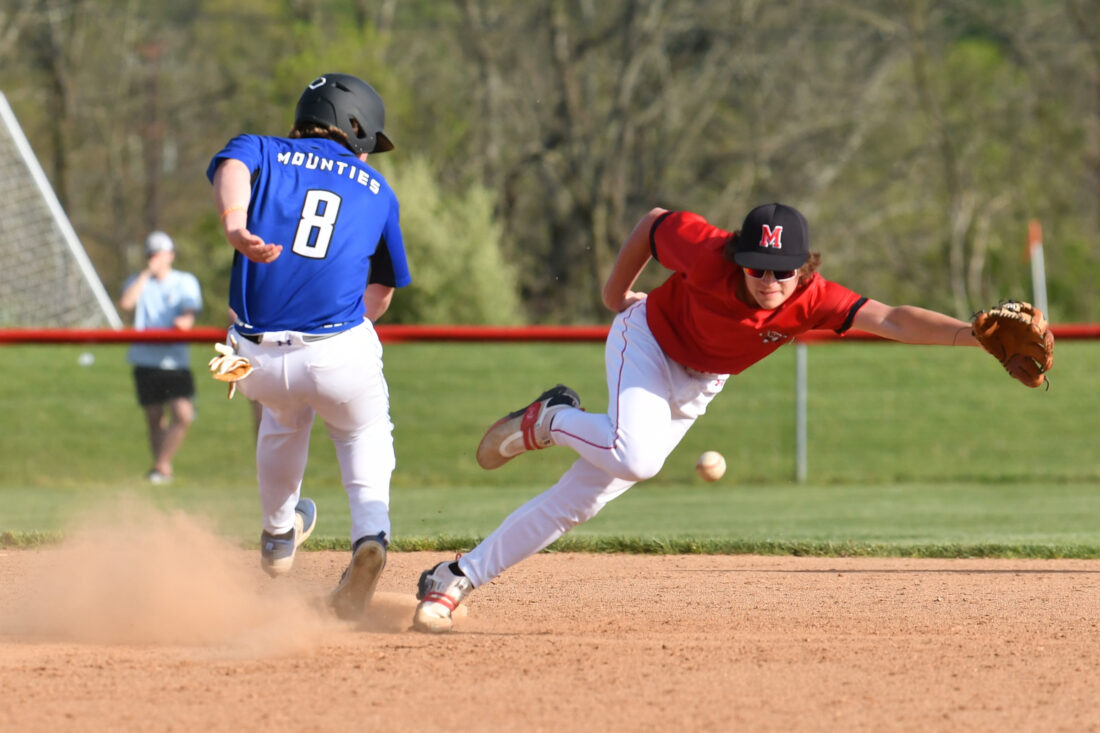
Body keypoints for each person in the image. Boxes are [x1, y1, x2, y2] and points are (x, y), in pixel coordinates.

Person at [412, 202, 989, 633]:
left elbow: (891, 320)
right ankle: (552, 418)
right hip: (647, 344)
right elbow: (653, 222)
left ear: (804, 268)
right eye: (756, 268)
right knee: (637, 456)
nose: (767, 281)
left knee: (579, 502)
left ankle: (456, 577)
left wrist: (973, 337)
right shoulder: (709, 253)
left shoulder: (814, 298)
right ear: (739, 259)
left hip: (700, 380)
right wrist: (617, 295)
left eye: (780, 271)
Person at [206, 73, 410, 619]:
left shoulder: (262, 149)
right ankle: (371, 534)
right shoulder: (378, 191)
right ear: (357, 130)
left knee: (281, 414)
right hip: (336, 355)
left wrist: (234, 225)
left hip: (250, 359)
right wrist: (338, 327)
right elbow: (381, 292)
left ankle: (277, 537)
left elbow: (231, 170)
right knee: (364, 426)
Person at [118, 230, 203, 485]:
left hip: (174, 361)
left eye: (159, 254)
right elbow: (126, 304)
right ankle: (161, 472)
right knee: (154, 418)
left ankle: (161, 465)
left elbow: (190, 312)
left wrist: (184, 321)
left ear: (171, 255)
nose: (154, 258)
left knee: (183, 414)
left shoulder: (184, 281)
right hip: (145, 360)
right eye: (150, 254)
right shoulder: (138, 281)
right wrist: (145, 274)